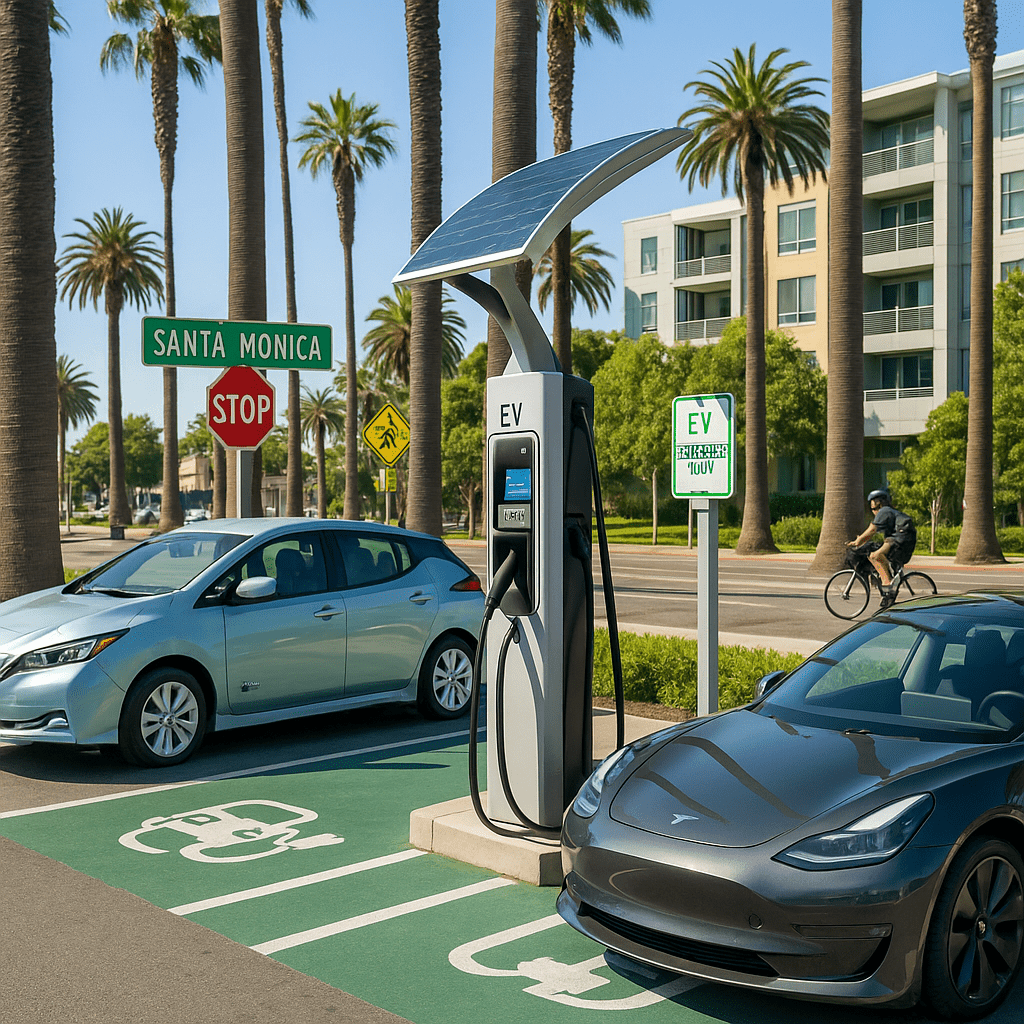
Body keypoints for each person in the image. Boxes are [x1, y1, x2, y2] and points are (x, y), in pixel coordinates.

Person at [847, 490, 917, 608]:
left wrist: (857, 541)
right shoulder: (889, 511)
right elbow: (871, 533)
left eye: (874, 508)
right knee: (875, 555)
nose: (873, 512)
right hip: (899, 539)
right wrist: (862, 540)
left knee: (875, 555)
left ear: (878, 502)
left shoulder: (884, 511)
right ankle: (887, 584)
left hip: (900, 539)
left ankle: (888, 585)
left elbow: (872, 529)